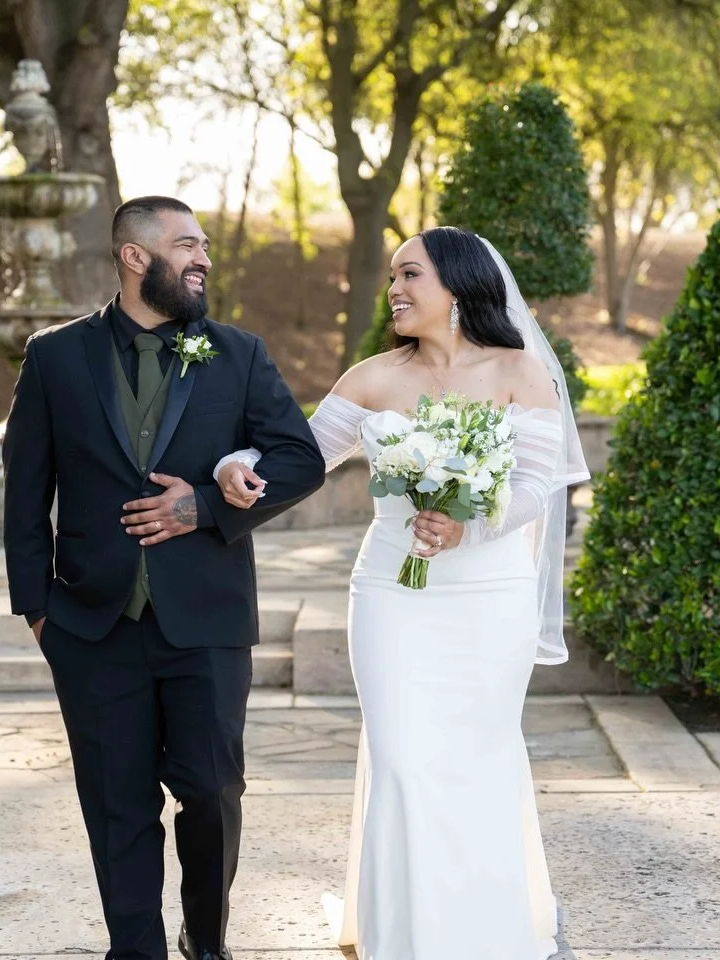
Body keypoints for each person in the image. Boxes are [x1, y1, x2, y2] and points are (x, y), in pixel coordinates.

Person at [214, 226, 588, 959]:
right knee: (402, 757)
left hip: (491, 595)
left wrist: (469, 529)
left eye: (410, 275)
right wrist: (237, 461)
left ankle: (482, 930)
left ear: (457, 284)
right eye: (392, 276)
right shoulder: (372, 378)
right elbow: (301, 457)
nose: (395, 289)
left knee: (478, 755)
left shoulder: (521, 372)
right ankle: (404, 937)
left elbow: (538, 489)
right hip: (391, 592)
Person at [1, 195, 326, 960]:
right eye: (186, 245)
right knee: (117, 804)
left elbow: (300, 460)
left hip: (206, 621)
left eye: (204, 245)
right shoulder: (54, 356)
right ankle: (136, 949)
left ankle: (206, 943)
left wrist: (206, 506)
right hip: (89, 624)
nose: (202, 259)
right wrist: (39, 614)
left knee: (213, 791)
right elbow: (24, 493)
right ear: (134, 257)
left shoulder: (238, 353)